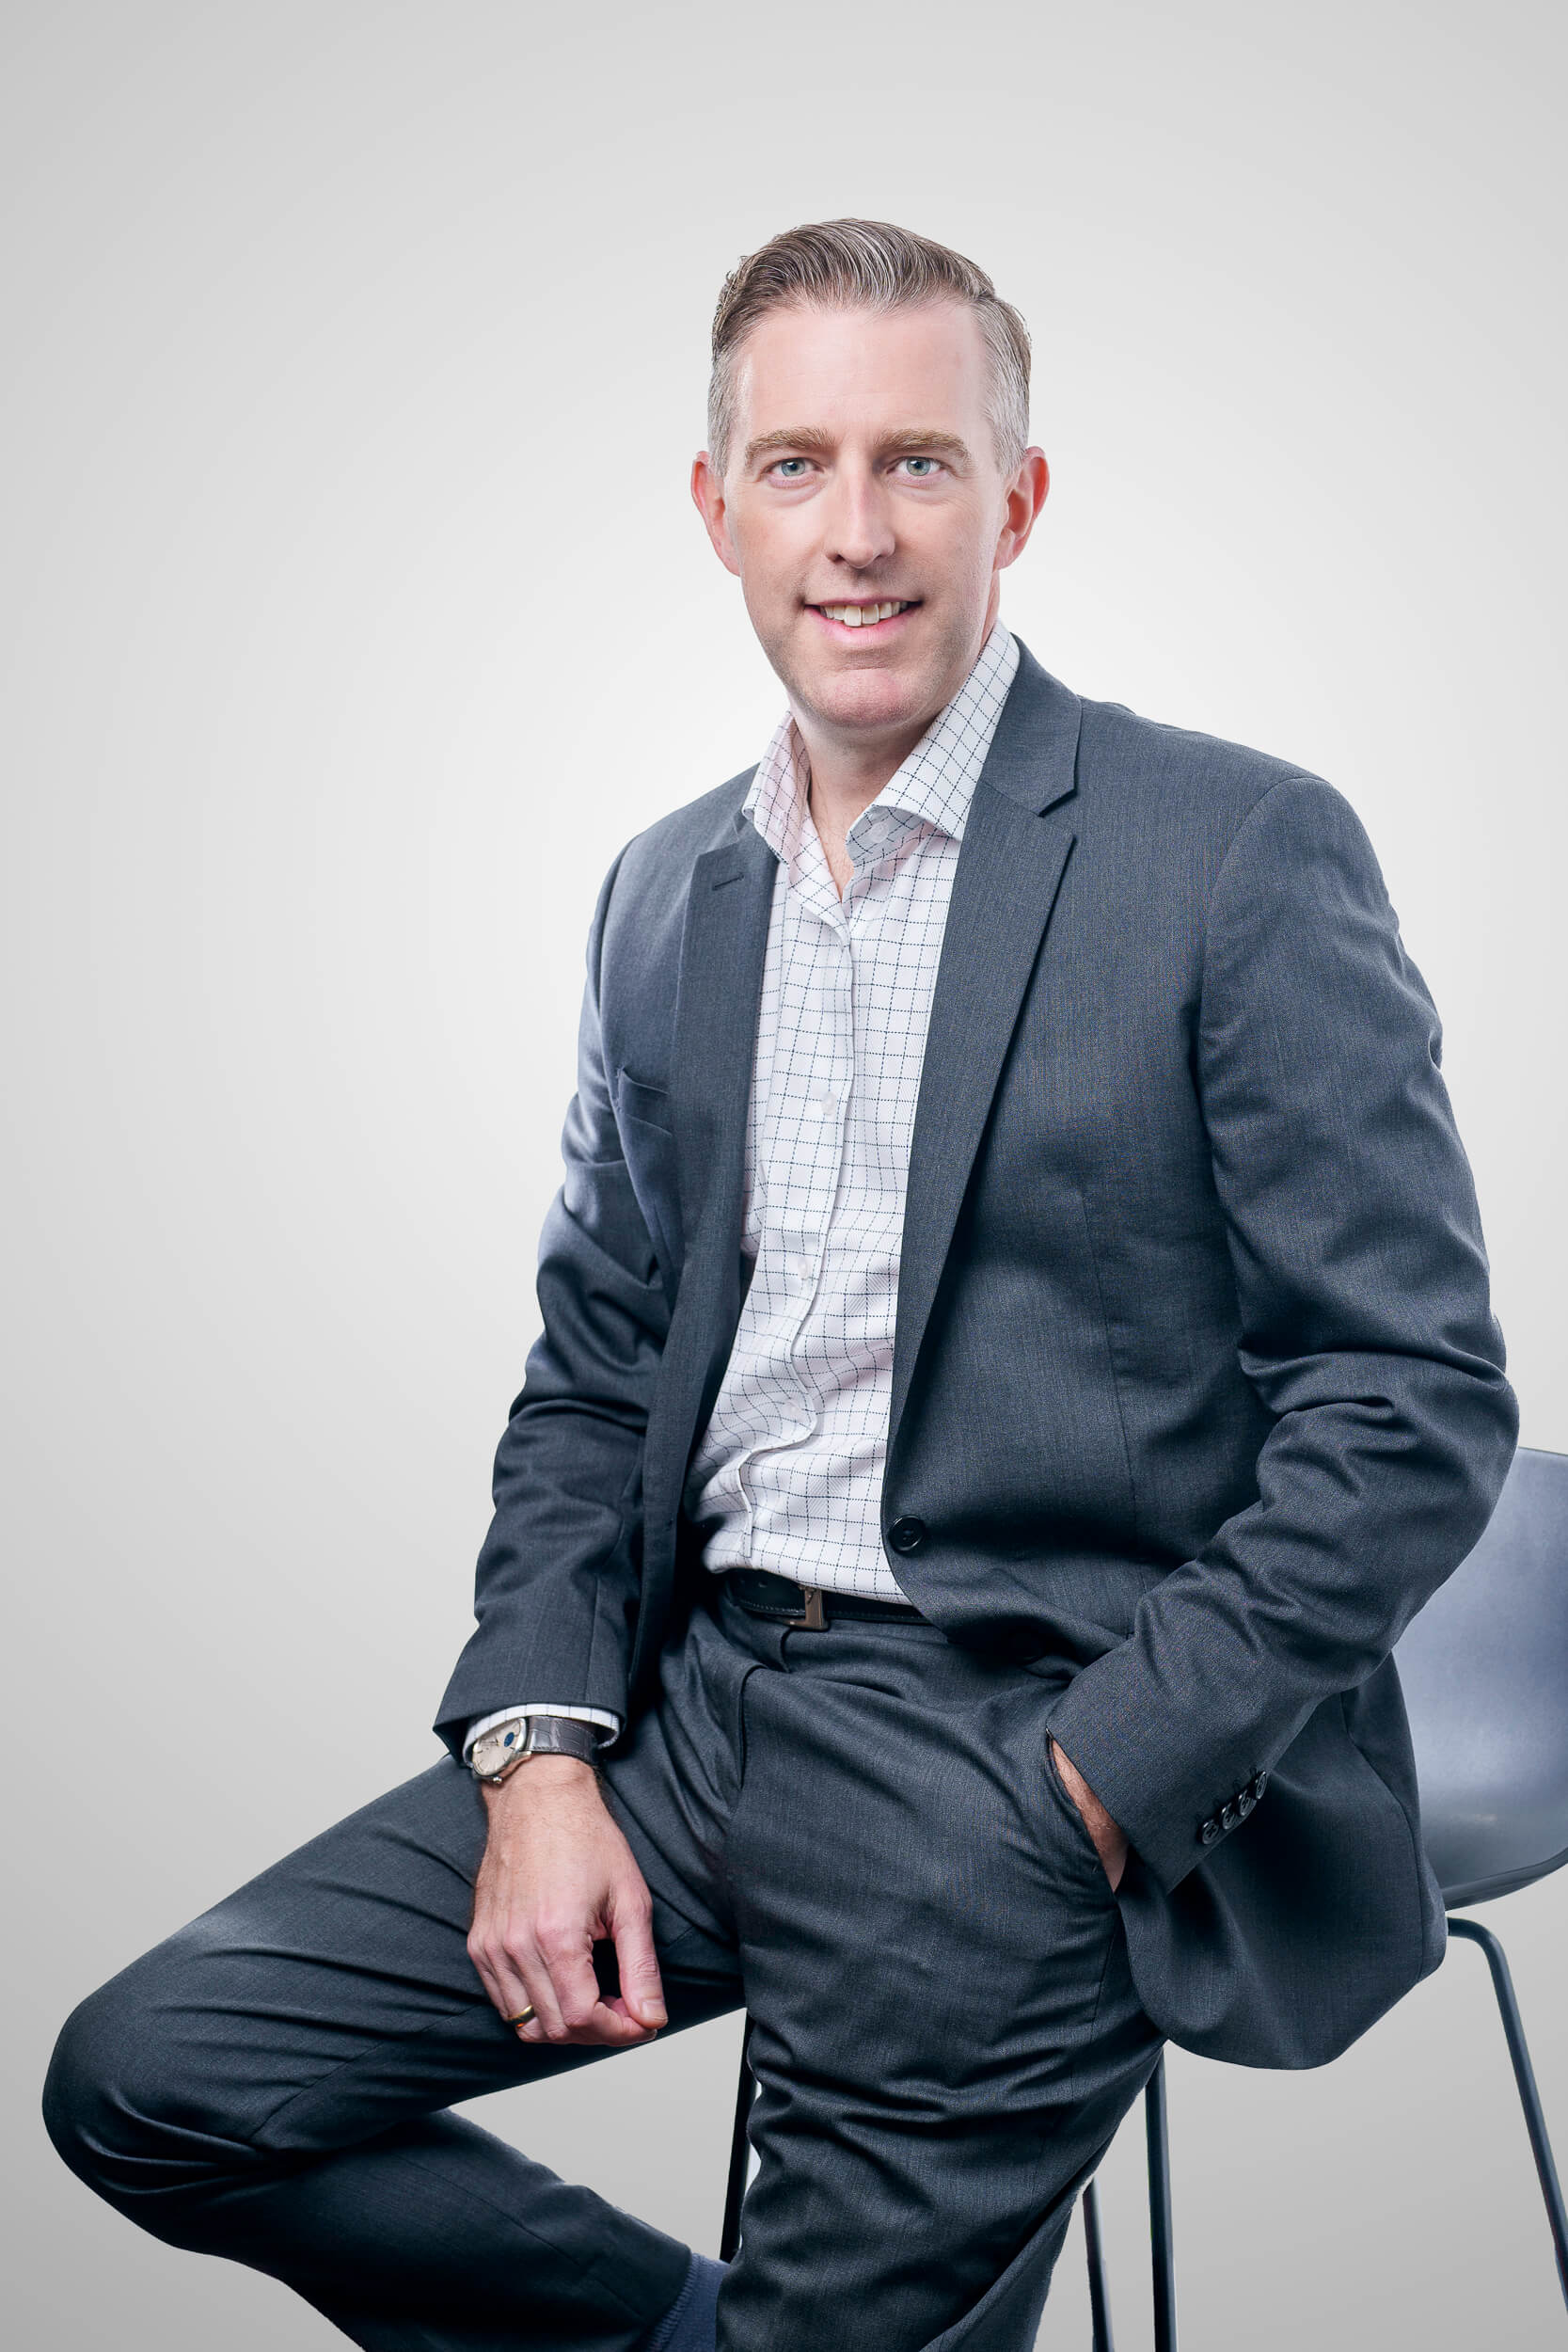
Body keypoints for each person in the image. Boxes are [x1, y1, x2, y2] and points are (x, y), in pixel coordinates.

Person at [44, 218, 1517, 2352]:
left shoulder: (1231, 852)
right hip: (695, 1715)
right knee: (155, 2079)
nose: (859, 534)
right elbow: (596, 1371)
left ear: (1017, 500)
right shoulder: (667, 893)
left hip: (1018, 1741)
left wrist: (1097, 1781)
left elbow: (1406, 1399)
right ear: (716, 505)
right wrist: (540, 1755)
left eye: (920, 462)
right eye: (799, 465)